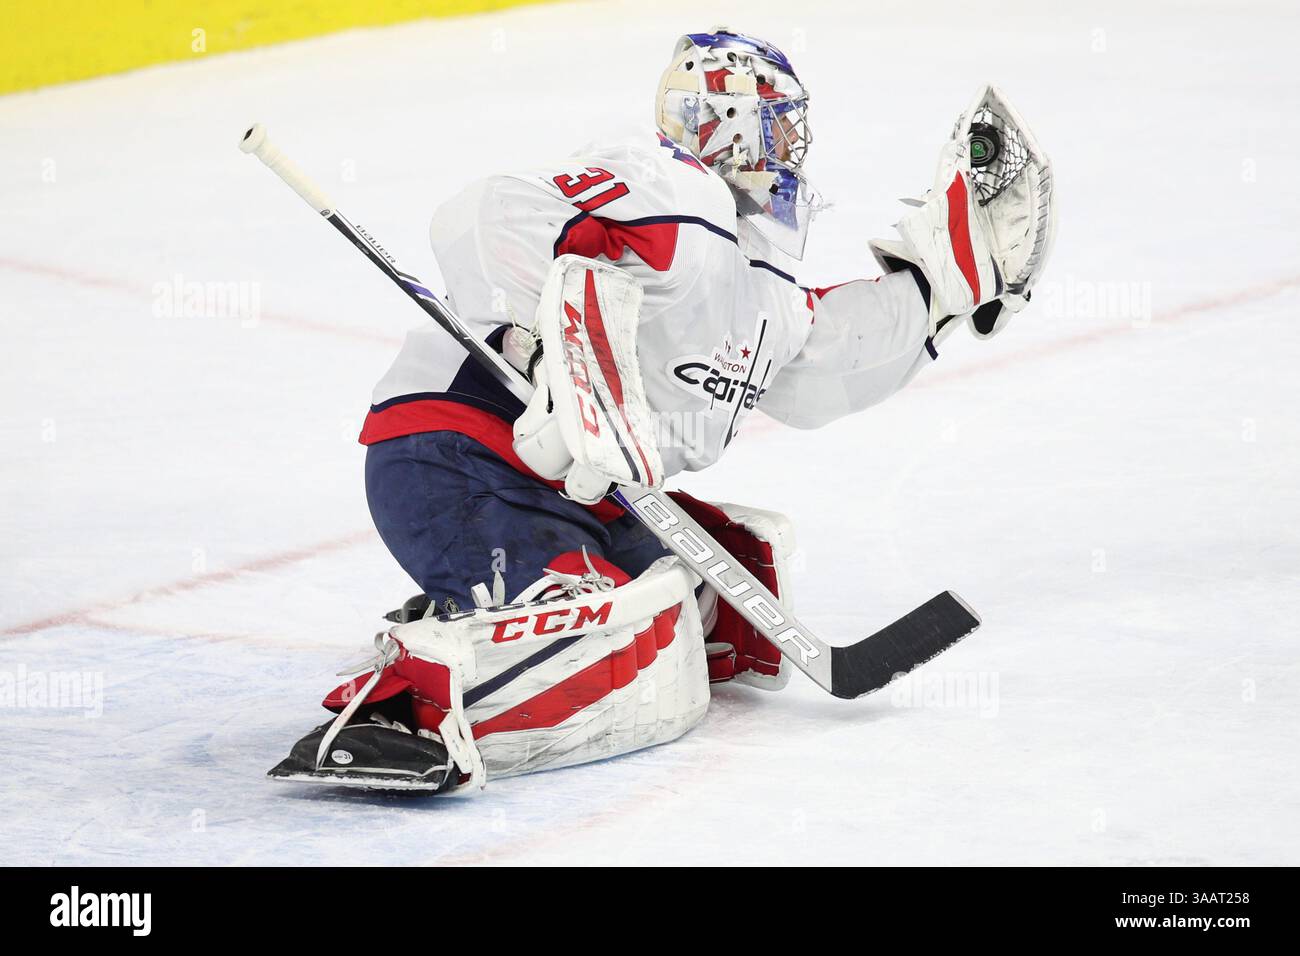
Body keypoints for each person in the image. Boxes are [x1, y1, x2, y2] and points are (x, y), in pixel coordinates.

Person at [269, 28, 1056, 792]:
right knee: (608, 636)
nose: (793, 147)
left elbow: (825, 365)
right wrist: (544, 352)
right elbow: (484, 215)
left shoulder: (760, 282)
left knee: (689, 595)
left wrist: (942, 293)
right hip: (458, 450)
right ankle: (402, 711)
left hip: (576, 486)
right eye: (781, 123)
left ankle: (491, 600)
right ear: (728, 120)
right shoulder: (672, 188)